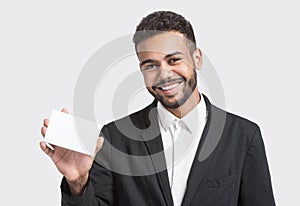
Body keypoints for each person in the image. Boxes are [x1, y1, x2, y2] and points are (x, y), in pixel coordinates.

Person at [40, 11, 276, 206]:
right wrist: (78, 183)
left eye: (174, 60)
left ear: (197, 59)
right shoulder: (115, 137)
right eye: (151, 65)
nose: (164, 74)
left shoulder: (244, 135)